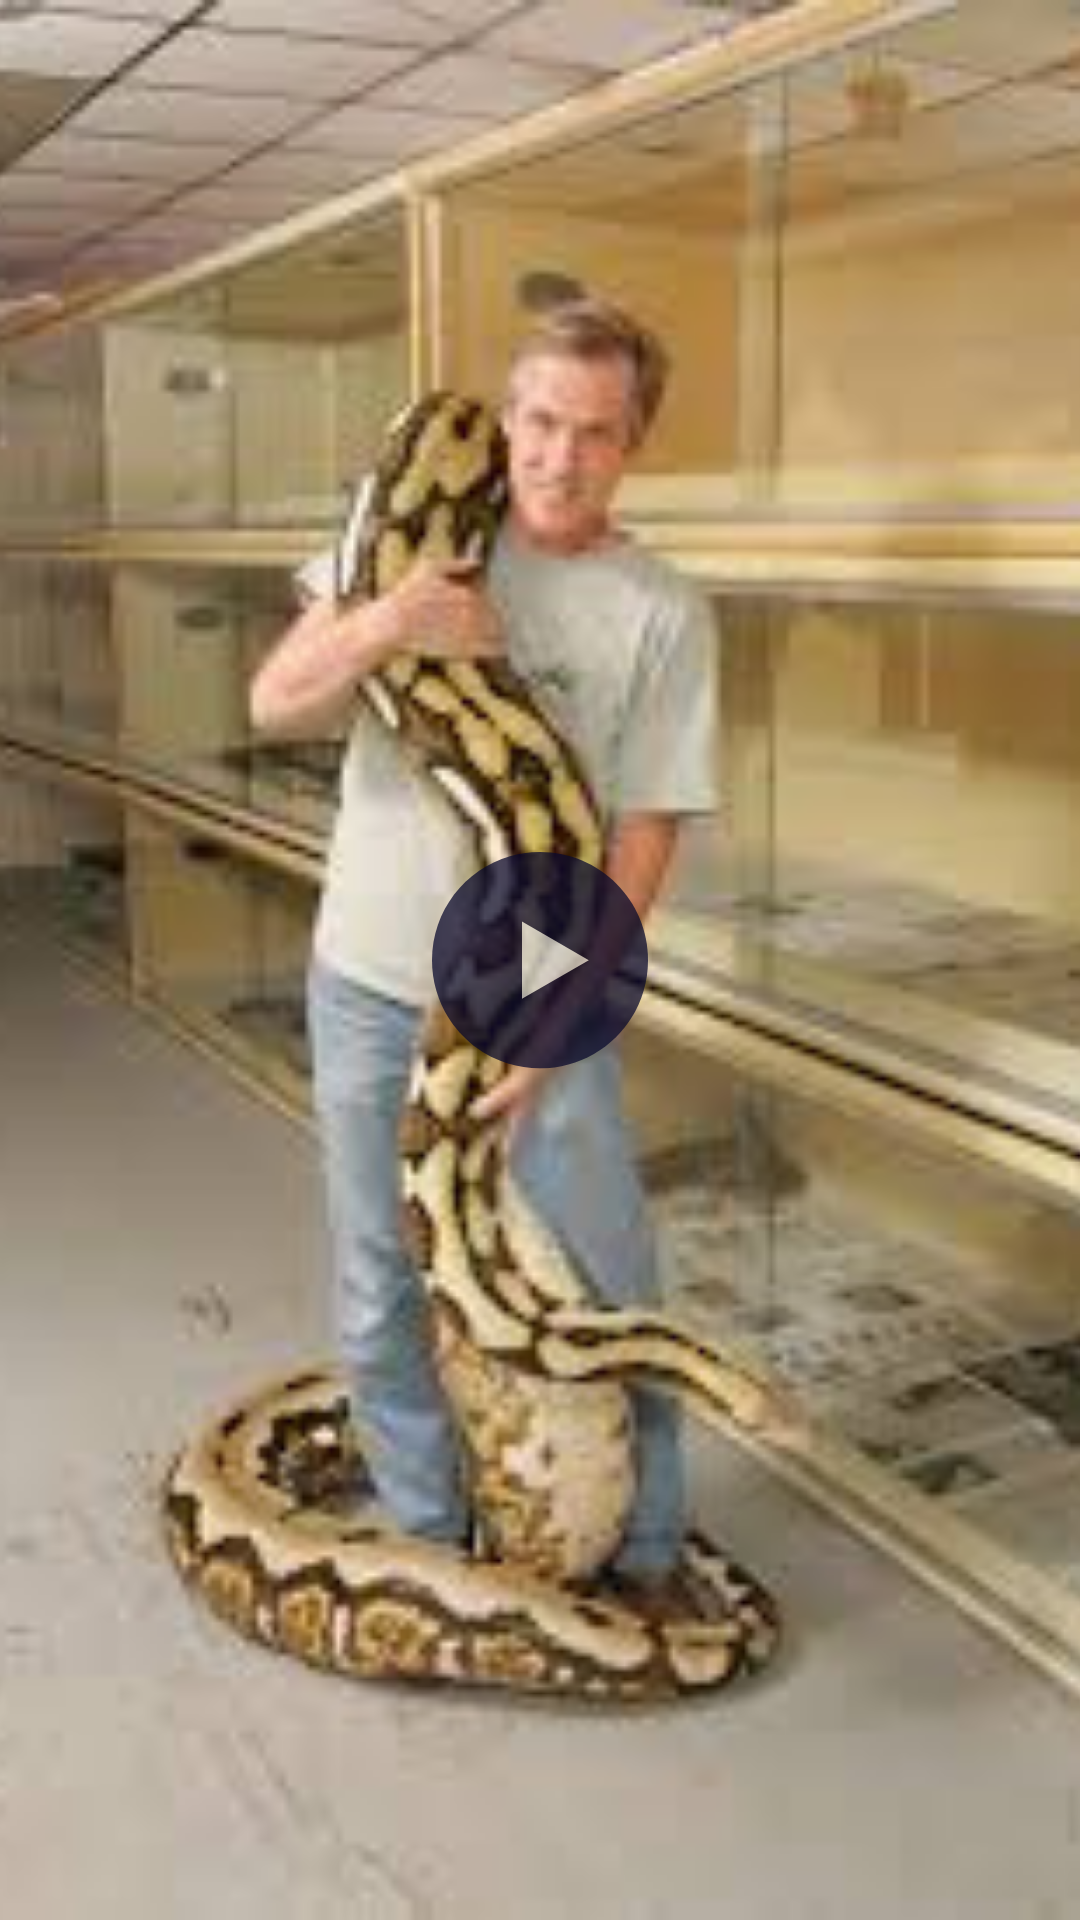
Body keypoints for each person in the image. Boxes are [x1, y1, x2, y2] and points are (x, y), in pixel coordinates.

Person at [249, 298, 718, 1612]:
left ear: (633, 445)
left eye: (597, 433)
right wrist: (391, 623)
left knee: (606, 1276)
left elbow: (644, 833)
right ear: (506, 419)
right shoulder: (422, 543)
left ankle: (650, 1558)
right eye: (541, 421)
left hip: (534, 993)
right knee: (382, 1279)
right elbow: (275, 699)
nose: (561, 457)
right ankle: (430, 1539)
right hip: (367, 980)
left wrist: (562, 1014)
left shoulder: (663, 609)